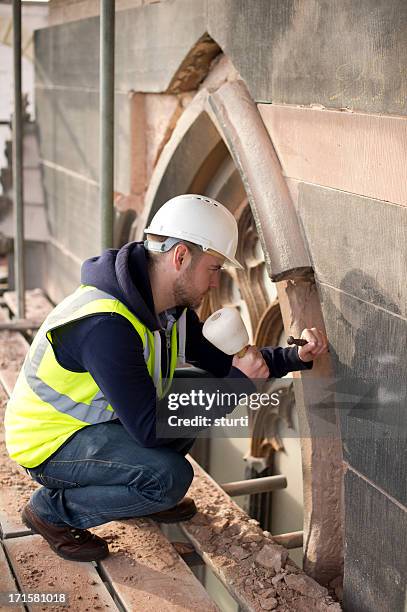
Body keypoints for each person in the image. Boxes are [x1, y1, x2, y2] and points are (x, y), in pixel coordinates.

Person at [4, 194, 328, 562]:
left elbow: (223, 362)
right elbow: (149, 428)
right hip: (49, 444)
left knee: (191, 399)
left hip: (92, 425)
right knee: (170, 477)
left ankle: (138, 494)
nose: (214, 282)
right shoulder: (106, 325)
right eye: (214, 267)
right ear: (180, 257)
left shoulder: (168, 310)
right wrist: (238, 386)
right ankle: (51, 511)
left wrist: (293, 356)